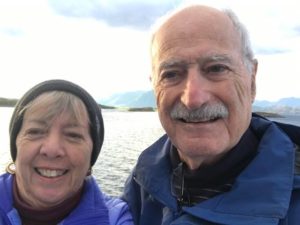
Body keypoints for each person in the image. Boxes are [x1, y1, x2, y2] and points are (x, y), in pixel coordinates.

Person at [122, 4, 300, 225]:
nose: (193, 99)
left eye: (216, 68)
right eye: (171, 74)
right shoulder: (142, 180)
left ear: (251, 80)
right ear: (155, 87)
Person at [0, 79, 133, 225]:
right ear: (16, 146)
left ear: (91, 157)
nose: (52, 150)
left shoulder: (115, 218)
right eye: (35, 131)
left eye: (73, 135)